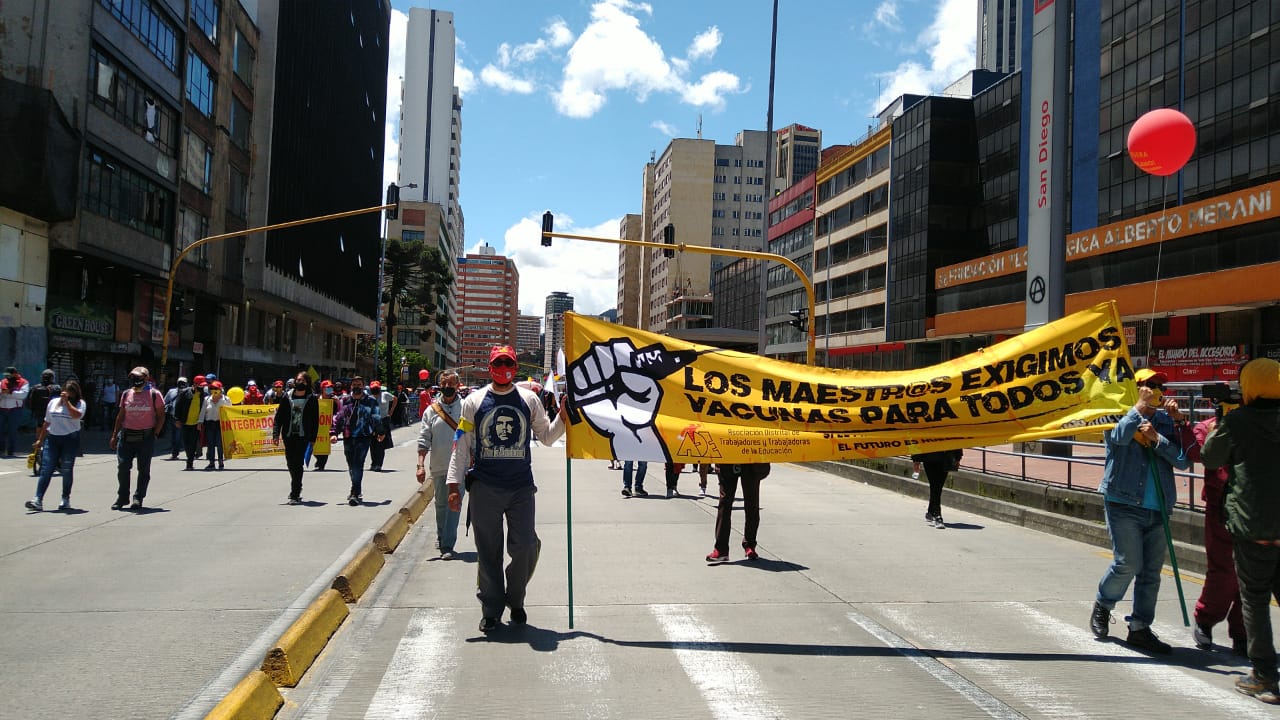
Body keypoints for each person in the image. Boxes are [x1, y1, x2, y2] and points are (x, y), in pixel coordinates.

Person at [446, 345, 566, 632]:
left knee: (524, 545)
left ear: (515, 365)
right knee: (488, 552)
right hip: (485, 486)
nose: (503, 367)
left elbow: (547, 437)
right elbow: (461, 446)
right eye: (498, 363)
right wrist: (454, 485)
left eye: (508, 362)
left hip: (521, 487)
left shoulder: (529, 399)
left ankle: (516, 599)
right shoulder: (473, 402)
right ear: (490, 367)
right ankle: (491, 609)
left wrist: (563, 416)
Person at [1089, 367, 1192, 654]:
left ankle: (1140, 628)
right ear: (1135, 388)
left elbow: (1184, 461)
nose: (1156, 390)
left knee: (1151, 573)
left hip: (1158, 505)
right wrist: (1138, 409)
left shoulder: (1165, 421)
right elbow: (1118, 438)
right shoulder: (1118, 413)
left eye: (1159, 386)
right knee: (1128, 563)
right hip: (1122, 501)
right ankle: (1104, 603)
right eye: (1149, 385)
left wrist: (1162, 436)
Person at [1201, 357, 1280, 704]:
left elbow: (1210, 457)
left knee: (1256, 600)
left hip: (1254, 525)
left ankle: (1263, 676)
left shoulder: (1240, 421)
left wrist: (1224, 419)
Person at [1189, 407, 1247, 656]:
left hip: (1253, 506)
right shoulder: (1207, 427)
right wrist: (1220, 430)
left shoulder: (1256, 422)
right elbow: (1202, 454)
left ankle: (1244, 633)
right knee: (1223, 572)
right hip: (1220, 507)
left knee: (1251, 575)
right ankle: (1205, 618)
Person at [417, 370, 464, 559]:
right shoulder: (431, 410)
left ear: (458, 385)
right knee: (441, 504)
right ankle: (441, 535)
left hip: (460, 466)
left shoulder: (466, 407)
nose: (447, 388)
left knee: (454, 504)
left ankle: (447, 544)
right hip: (438, 465)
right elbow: (424, 438)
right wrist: (420, 465)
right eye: (443, 384)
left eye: (450, 384)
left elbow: (474, 435)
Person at [109, 367, 165, 510]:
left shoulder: (154, 394)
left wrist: (155, 433)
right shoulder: (127, 394)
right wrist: (115, 435)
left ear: (146, 378)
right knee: (123, 467)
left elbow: (161, 416)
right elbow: (120, 415)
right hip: (126, 437)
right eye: (133, 377)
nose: (135, 380)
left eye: (138, 377)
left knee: (143, 470)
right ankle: (122, 497)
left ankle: (138, 498)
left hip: (145, 438)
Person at [24, 381, 85, 512]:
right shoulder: (53, 402)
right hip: (53, 439)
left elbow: (77, 415)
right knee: (46, 469)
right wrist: (40, 439)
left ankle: (65, 499)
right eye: (66, 391)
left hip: (70, 438)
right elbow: (47, 422)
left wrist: (67, 402)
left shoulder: (80, 403)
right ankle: (38, 499)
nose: (67, 394)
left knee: (67, 469)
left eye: (71, 392)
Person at [330, 376, 383, 505]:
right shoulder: (345, 400)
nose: (356, 387)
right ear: (351, 386)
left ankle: (354, 492)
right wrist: (334, 433)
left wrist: (380, 431)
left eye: (359, 384)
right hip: (348, 436)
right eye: (354, 384)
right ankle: (357, 489)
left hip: (364, 436)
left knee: (358, 464)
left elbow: (376, 416)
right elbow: (338, 417)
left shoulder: (370, 401)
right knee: (351, 464)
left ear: (363, 386)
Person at [705, 463, 770, 563]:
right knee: (724, 503)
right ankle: (721, 549)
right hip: (727, 461)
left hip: (750, 462)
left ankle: (750, 545)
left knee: (752, 504)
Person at [273, 372, 319, 505]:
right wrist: (276, 434)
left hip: (303, 436)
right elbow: (279, 417)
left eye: (303, 381)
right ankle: (297, 484)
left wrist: (313, 438)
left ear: (308, 383)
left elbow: (315, 420)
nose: (300, 382)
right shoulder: (287, 396)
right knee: (290, 463)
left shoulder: (311, 398)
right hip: (288, 435)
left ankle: (295, 492)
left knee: (298, 463)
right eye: (298, 380)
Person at [911, 448, 964, 529]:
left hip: (945, 458)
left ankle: (931, 512)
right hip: (929, 458)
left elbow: (956, 439)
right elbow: (918, 438)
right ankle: (938, 516)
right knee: (935, 486)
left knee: (937, 487)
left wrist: (957, 457)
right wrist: (916, 461)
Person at [175, 376, 206, 471]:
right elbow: (178, 406)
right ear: (195, 384)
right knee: (186, 443)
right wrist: (177, 419)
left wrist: (201, 422)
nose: (201, 388)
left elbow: (204, 409)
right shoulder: (185, 392)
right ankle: (189, 457)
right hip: (185, 422)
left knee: (193, 444)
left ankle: (190, 462)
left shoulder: (203, 395)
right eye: (200, 386)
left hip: (196, 424)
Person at [199, 381, 231, 470]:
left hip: (220, 424)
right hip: (210, 424)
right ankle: (211, 462)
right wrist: (200, 422)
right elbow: (203, 412)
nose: (214, 390)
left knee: (220, 444)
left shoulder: (226, 399)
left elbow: (231, 412)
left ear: (220, 390)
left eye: (216, 389)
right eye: (212, 389)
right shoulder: (207, 399)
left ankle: (221, 461)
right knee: (211, 444)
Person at [0, 366, 31, 457]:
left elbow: (22, 395)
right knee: (1, 430)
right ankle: (1, 449)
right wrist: (3, 393)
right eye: (6, 375)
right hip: (2, 409)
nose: (7, 377)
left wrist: (10, 392)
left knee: (12, 431)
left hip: (15, 410)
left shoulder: (23, 382)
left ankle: (11, 450)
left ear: (14, 373)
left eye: (9, 375)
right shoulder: (3, 382)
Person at [368, 380, 396, 472]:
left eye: (377, 388)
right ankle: (373, 463)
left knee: (381, 444)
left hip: (383, 420)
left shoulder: (385, 395)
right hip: (372, 421)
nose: (375, 390)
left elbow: (395, 399)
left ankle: (379, 464)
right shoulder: (369, 397)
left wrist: (391, 411)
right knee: (373, 443)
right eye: (373, 389)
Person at [313, 380, 335, 470]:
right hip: (317, 426)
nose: (330, 389)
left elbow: (339, 412)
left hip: (328, 426)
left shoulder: (334, 399)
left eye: (331, 387)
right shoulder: (316, 399)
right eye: (327, 388)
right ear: (322, 389)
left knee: (325, 446)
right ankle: (318, 460)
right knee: (316, 445)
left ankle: (321, 464)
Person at [162, 377, 186, 460]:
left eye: (183, 382)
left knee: (178, 435)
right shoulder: (171, 391)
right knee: (173, 435)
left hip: (181, 417)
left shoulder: (188, 392)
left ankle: (175, 452)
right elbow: (165, 401)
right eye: (180, 382)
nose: (181, 384)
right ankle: (174, 450)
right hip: (172, 416)